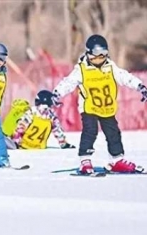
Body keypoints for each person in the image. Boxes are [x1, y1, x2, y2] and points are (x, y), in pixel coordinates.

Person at [52, 34, 147, 174]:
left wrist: (140, 86)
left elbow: (124, 76)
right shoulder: (81, 69)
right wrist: (57, 93)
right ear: (87, 53)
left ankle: (117, 160)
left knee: (113, 133)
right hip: (89, 107)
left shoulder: (110, 67)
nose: (98, 60)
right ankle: (85, 161)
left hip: (106, 107)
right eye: (94, 56)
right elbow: (69, 82)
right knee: (90, 131)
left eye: (102, 56)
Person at [3, 90, 75, 150]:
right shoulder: (52, 116)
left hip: (24, 145)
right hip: (39, 147)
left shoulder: (32, 112)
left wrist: (15, 141)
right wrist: (63, 143)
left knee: (18, 110)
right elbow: (57, 130)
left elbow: (21, 128)